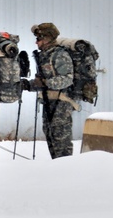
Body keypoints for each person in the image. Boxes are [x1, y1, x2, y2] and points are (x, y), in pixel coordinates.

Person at [22, 22, 76, 159]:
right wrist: (28, 85)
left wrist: (46, 82)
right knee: (50, 136)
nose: (36, 42)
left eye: (39, 39)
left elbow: (68, 79)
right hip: (48, 103)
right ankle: (56, 171)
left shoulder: (60, 55)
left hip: (61, 105)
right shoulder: (44, 55)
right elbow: (42, 83)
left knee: (61, 141)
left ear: (47, 38)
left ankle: (67, 171)